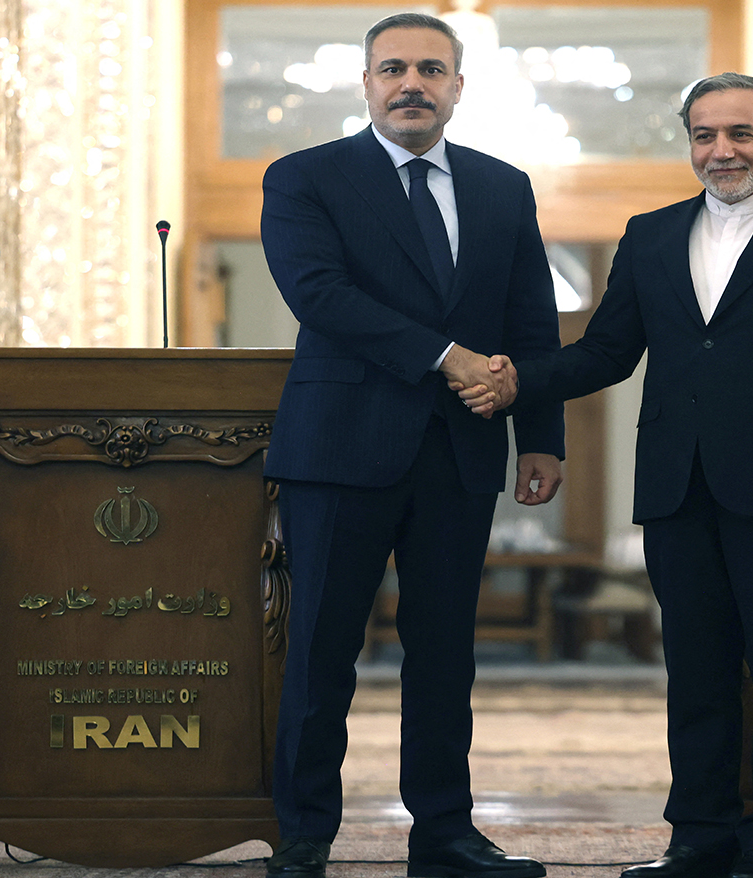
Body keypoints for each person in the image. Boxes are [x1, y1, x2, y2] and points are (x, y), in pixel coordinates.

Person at [458, 73, 753, 878]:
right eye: (704, 136)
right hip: (676, 489)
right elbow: (606, 352)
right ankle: (697, 837)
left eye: (740, 134)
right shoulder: (651, 232)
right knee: (694, 673)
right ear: (689, 144)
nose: (720, 151)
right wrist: (518, 379)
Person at [258, 13, 565, 878]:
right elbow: (321, 296)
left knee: (445, 658)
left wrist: (539, 435)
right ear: (365, 83)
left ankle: (445, 835)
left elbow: (531, 320)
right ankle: (305, 834)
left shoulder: (504, 186)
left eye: (432, 69)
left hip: (460, 453)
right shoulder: (306, 177)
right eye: (392, 68)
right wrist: (451, 358)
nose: (411, 84)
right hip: (339, 450)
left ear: (460, 86)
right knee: (322, 652)